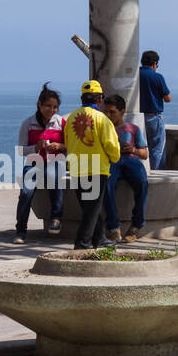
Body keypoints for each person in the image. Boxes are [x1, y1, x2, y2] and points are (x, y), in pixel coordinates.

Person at [63, 79, 120, 250]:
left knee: (89, 207)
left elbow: (67, 141)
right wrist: (114, 158)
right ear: (100, 99)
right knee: (92, 210)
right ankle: (81, 244)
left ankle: (100, 239)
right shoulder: (102, 119)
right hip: (96, 169)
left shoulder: (71, 117)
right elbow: (112, 145)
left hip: (76, 169)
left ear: (82, 99)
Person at [13, 83, 67, 243]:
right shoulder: (28, 123)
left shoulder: (60, 123)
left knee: (54, 178)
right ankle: (21, 230)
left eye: (55, 107)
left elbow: (70, 147)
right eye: (48, 106)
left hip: (55, 161)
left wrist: (60, 146)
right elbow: (21, 150)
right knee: (26, 193)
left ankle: (56, 219)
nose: (52, 110)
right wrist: (35, 147)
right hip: (34, 162)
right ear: (40, 105)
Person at [102, 94, 148, 242]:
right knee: (107, 184)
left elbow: (144, 154)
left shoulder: (132, 129)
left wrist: (133, 150)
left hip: (130, 160)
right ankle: (113, 227)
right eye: (106, 112)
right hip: (111, 162)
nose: (108, 115)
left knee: (142, 182)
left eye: (112, 112)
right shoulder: (101, 129)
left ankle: (136, 225)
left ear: (122, 112)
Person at [138, 50, 171, 170]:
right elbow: (168, 98)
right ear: (155, 63)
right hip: (153, 117)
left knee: (139, 148)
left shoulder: (135, 75)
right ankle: (157, 175)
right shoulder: (157, 77)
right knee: (157, 150)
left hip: (138, 118)